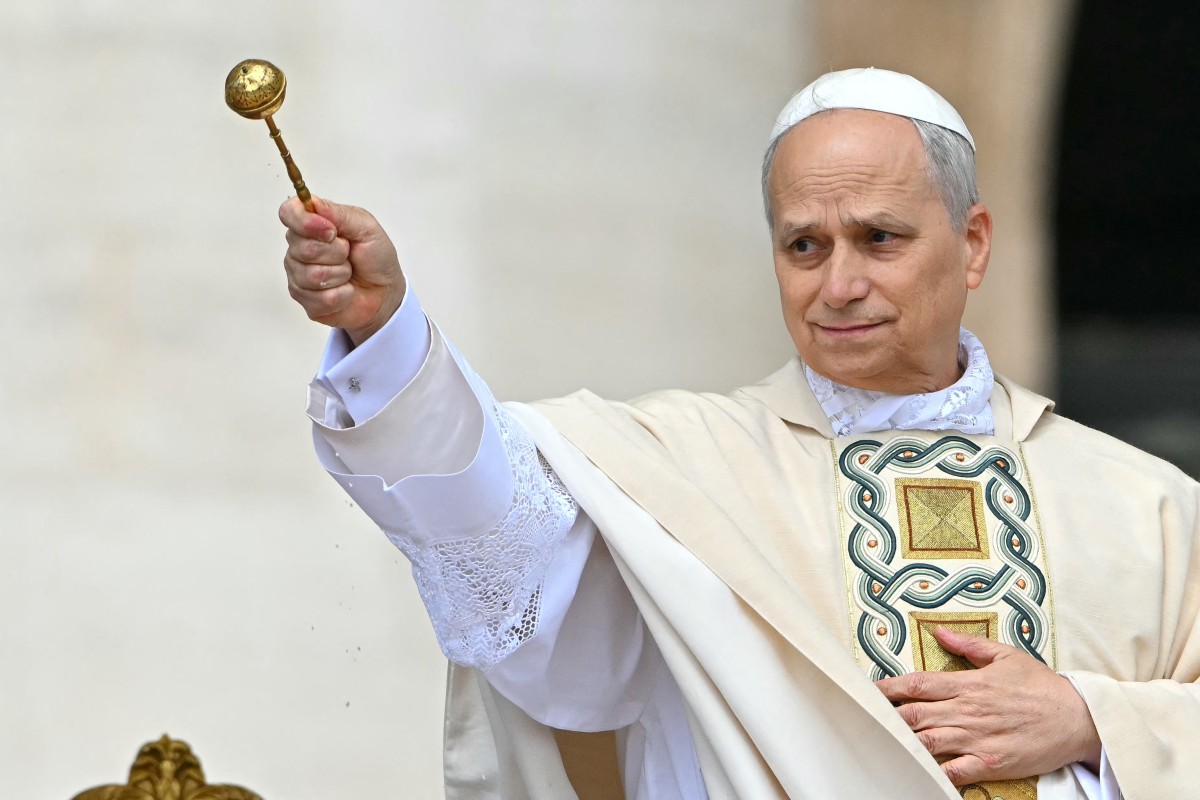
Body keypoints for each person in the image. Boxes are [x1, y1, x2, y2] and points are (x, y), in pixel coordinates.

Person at [280, 68, 1199, 799]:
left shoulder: (1146, 506)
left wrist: (1091, 719)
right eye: (805, 245)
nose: (837, 284)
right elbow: (495, 528)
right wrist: (388, 334)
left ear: (973, 244)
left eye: (879, 238)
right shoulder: (675, 473)